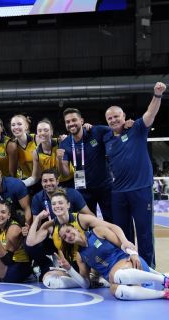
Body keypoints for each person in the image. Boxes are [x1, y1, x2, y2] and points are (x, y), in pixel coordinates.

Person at [103, 81, 166, 268]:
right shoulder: (106, 138)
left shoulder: (137, 128)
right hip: (118, 193)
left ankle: (148, 269)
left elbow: (150, 113)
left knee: (145, 233)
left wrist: (157, 95)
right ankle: (128, 267)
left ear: (124, 116)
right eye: (110, 119)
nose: (113, 120)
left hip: (140, 189)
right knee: (123, 235)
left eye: (116, 117)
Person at [26, 189, 136, 287]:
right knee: (48, 279)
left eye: (60, 203)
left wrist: (125, 241)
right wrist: (38, 218)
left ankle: (95, 277)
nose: (57, 206)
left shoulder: (81, 219)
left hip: (87, 263)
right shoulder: (50, 225)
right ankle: (89, 281)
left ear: (68, 205)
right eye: (54, 204)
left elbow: (111, 226)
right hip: (70, 264)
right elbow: (30, 242)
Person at [57, 223, 169, 300]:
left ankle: (164, 279)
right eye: (64, 237)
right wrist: (69, 269)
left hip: (132, 263)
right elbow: (86, 284)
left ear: (76, 228)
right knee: (117, 291)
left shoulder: (97, 232)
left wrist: (134, 254)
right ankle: (163, 294)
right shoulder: (80, 256)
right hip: (122, 279)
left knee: (114, 275)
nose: (68, 235)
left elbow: (123, 244)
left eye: (68, 231)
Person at [57, 108, 113, 222]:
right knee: (89, 223)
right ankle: (94, 241)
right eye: (68, 122)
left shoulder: (95, 131)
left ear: (81, 121)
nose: (71, 124)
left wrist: (127, 125)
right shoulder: (65, 143)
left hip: (105, 187)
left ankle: (114, 240)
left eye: (74, 120)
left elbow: (115, 129)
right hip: (83, 189)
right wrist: (59, 160)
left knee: (112, 220)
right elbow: (65, 173)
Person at [24, 119, 74, 188]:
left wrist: (68, 139)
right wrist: (21, 183)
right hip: (51, 185)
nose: (42, 133)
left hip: (69, 181)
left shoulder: (61, 142)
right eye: (39, 131)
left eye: (46, 130)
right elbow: (35, 177)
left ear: (51, 132)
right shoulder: (36, 153)